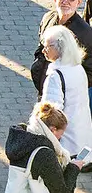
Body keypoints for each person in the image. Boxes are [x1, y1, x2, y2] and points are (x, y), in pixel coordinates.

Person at [32, 0, 92, 100]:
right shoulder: (48, 18)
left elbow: (89, 72)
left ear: (78, 2)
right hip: (44, 87)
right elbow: (41, 47)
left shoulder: (86, 33)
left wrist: (70, 88)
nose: (65, 2)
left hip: (67, 97)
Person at [39, 26, 92, 158]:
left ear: (59, 47)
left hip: (65, 144)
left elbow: (52, 114)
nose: (44, 50)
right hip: (82, 140)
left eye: (47, 47)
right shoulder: (78, 68)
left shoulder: (55, 76)